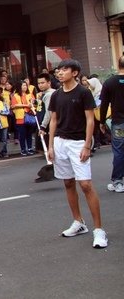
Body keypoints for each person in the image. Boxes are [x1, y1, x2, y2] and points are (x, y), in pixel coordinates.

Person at [48, 59, 107, 249]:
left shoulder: (83, 92)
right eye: (59, 70)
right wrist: (50, 146)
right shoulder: (56, 95)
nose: (60, 72)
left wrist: (88, 145)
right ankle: (78, 222)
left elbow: (90, 120)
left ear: (74, 73)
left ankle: (99, 230)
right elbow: (53, 121)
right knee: (67, 182)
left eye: (64, 69)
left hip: (78, 143)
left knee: (86, 185)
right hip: (60, 142)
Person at [99, 55, 124, 193]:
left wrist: (102, 122)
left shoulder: (109, 82)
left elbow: (104, 105)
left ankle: (118, 182)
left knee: (119, 151)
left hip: (119, 123)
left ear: (118, 64)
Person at [11, 80, 36, 156]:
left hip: (29, 116)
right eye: (23, 85)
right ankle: (23, 149)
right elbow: (13, 106)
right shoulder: (15, 96)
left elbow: (34, 103)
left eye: (25, 85)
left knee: (29, 134)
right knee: (22, 134)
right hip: (20, 118)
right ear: (19, 87)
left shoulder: (30, 94)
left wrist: (32, 104)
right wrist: (25, 105)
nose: (25, 87)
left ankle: (29, 148)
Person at [35, 73, 55, 159]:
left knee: (47, 146)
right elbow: (40, 108)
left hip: (47, 124)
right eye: (39, 83)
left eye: (42, 83)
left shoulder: (49, 94)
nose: (40, 85)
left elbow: (49, 112)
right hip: (42, 122)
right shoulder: (43, 94)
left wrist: (43, 126)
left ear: (49, 83)